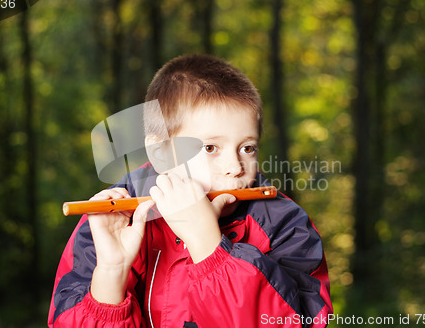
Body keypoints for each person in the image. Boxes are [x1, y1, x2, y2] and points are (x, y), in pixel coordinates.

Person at [48, 54, 333, 327]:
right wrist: (111, 272)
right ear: (160, 154)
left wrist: (209, 245)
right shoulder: (111, 221)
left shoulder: (286, 225)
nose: (235, 167)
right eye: (210, 148)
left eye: (247, 148)